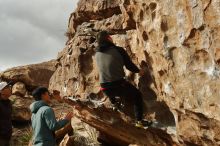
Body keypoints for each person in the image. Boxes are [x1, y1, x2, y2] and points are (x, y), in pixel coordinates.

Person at [95, 31, 151, 128]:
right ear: (108, 38)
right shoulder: (118, 50)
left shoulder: (97, 53)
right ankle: (139, 122)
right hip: (118, 86)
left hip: (104, 88)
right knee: (137, 95)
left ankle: (114, 103)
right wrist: (139, 71)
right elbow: (129, 66)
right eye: (110, 37)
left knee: (110, 87)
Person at [0, 81, 13, 146]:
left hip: (7, 136)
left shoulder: (9, 103)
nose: (9, 88)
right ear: (1, 91)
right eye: (7, 87)